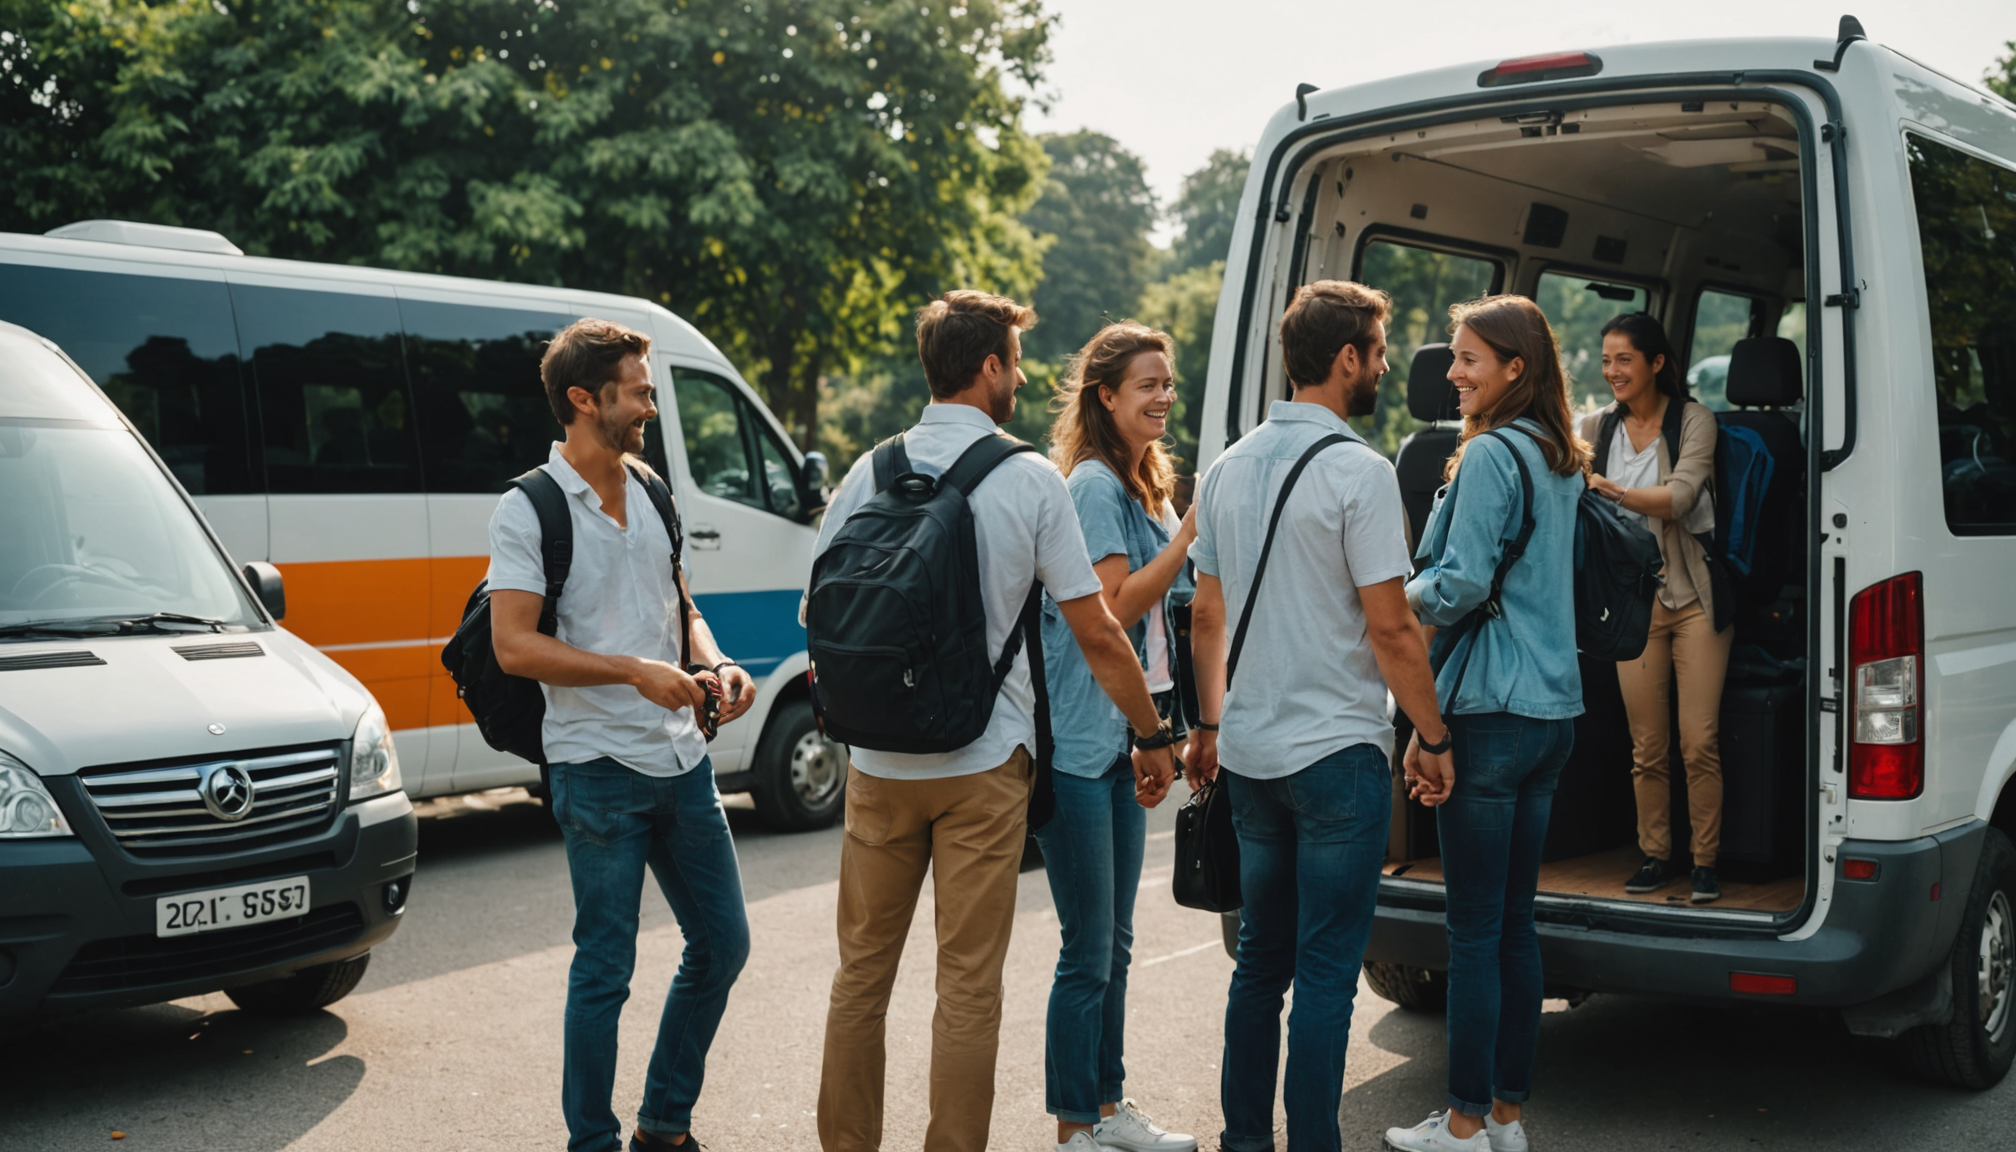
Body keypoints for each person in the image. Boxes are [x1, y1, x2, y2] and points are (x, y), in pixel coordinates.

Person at [811, 291, 1179, 1152]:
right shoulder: (1027, 478)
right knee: (967, 987)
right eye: (1014, 361)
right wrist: (1152, 736)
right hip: (983, 763)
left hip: (878, 767)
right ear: (988, 368)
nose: (1018, 378)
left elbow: (816, 613)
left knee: (861, 978)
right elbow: (1098, 629)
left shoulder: (868, 470)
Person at [1184, 280, 1453, 1152]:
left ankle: (1243, 1142)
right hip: (1337, 755)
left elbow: (1206, 615)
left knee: (1260, 964)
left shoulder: (1224, 467)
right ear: (1346, 360)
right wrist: (1433, 736)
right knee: (1329, 974)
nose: (1381, 367)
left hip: (1253, 758)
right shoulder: (1360, 473)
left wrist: (1212, 724)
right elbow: (1392, 628)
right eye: (1376, 353)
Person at [488, 318, 759, 1152]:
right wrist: (634, 671)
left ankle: (663, 1124)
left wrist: (715, 663)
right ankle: (593, 1142)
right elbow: (514, 644)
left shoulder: (652, 490)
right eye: (638, 390)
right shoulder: (529, 506)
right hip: (597, 769)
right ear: (583, 398)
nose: (650, 402)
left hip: (680, 760)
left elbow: (683, 609)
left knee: (722, 945)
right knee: (606, 969)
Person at [1383, 296, 1585, 1152]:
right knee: (1512, 922)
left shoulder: (1494, 455)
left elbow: (1460, 584)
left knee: (1469, 929)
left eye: (1469, 359)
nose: (1452, 373)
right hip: (1551, 712)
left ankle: (1462, 1123)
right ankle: (1503, 1115)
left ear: (1516, 369)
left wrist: (1388, 599)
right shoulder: (1558, 454)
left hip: (1490, 711)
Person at [1034, 321, 1199, 1152]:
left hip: (1130, 736)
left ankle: (1106, 1106)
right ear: (1105, 396)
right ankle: (1074, 1126)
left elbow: (1163, 630)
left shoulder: (1145, 484)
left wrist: (1163, 732)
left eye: (1169, 383)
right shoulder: (1096, 486)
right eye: (1149, 385)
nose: (1166, 396)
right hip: (1078, 743)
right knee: (1088, 947)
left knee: (1116, 942)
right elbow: (1114, 611)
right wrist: (1188, 537)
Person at [1579, 312, 1731, 905]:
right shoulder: (1595, 427)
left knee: (1699, 740)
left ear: (1656, 364)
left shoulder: (1695, 421)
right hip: (1632, 606)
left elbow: (1680, 498)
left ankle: (1706, 862)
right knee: (1647, 746)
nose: (1612, 370)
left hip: (1692, 597)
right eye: (1606, 359)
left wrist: (1606, 488)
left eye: (1624, 359)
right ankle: (1655, 854)